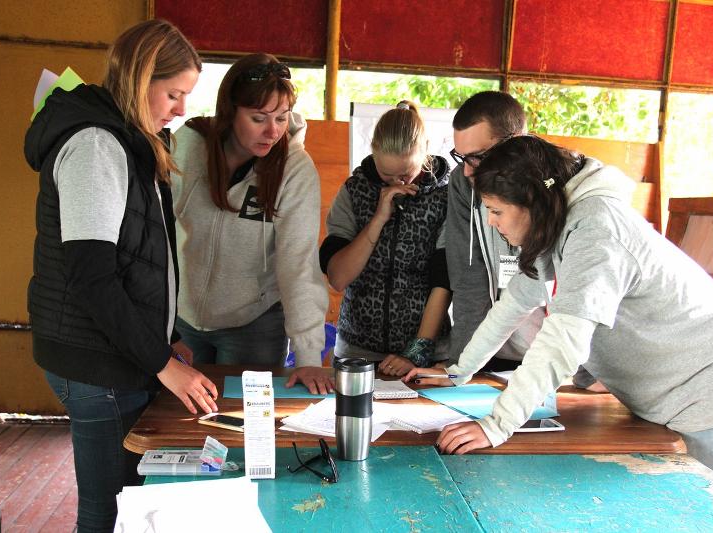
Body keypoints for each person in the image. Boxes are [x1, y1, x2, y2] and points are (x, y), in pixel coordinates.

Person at [405, 136, 713, 487]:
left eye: (496, 211)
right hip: (664, 398)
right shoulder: (557, 220)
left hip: (709, 397)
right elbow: (513, 304)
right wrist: (459, 372)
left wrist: (496, 424)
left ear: (531, 201)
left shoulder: (597, 229)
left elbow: (563, 342)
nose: (491, 222)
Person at [24, 20, 218, 531]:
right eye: (173, 94)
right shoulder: (96, 145)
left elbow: (140, 256)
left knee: (128, 501)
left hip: (117, 351)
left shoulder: (131, 140)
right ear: (139, 78)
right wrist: (162, 362)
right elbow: (92, 277)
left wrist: (166, 337)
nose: (182, 109)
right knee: (108, 512)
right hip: (98, 360)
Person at [172, 54, 331, 393]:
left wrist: (308, 357)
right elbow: (158, 233)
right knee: (181, 418)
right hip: (181, 320)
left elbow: (298, 263)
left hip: (254, 326)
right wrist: (162, 326)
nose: (273, 131)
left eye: (281, 117)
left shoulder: (294, 169)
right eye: (258, 118)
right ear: (230, 112)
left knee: (243, 419)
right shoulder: (189, 144)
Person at [447, 91, 601, 389]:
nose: (467, 170)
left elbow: (583, 303)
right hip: (495, 352)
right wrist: (458, 369)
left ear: (516, 142)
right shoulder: (463, 181)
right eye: (461, 157)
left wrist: (588, 374)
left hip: (565, 360)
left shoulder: (570, 196)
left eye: (478, 157)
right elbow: (470, 279)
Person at [319, 101, 450, 376]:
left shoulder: (446, 196)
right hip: (357, 350)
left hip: (424, 352)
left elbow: (444, 280)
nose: (397, 183)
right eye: (386, 174)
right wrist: (378, 219)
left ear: (425, 150)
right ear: (373, 153)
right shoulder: (354, 191)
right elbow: (338, 278)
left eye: (405, 174)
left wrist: (416, 352)